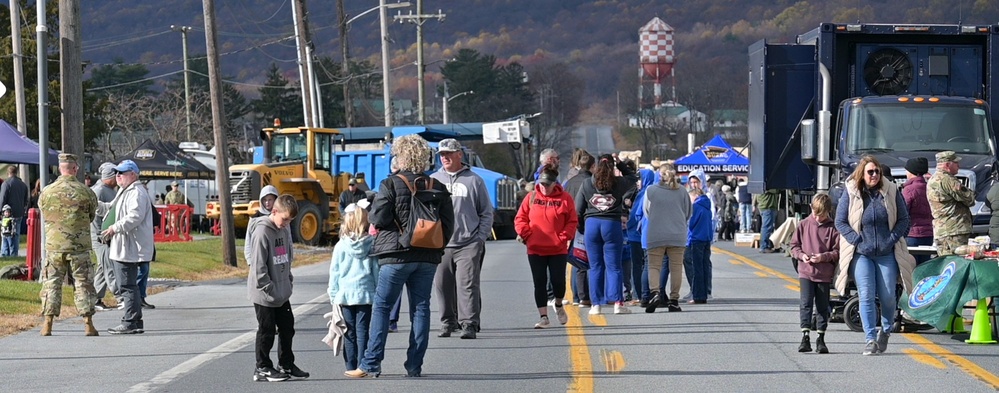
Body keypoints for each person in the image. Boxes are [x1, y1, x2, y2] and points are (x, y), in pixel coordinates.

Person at [347, 134, 454, 379]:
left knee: (382, 307)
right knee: (421, 309)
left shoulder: (391, 184)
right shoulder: (437, 186)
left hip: (396, 255)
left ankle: (371, 363)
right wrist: (435, 245)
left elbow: (378, 219)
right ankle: (414, 366)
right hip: (427, 256)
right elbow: (449, 224)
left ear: (401, 156)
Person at [834, 155, 915, 356]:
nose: (875, 175)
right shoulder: (851, 192)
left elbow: (904, 219)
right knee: (866, 295)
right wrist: (857, 239)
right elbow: (840, 221)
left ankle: (885, 331)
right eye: (870, 172)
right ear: (862, 173)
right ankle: (869, 338)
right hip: (862, 253)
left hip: (887, 252)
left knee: (888, 296)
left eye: (877, 171)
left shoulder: (891, 191)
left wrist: (891, 239)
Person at [431, 138, 493, 339]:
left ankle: (469, 324)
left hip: (468, 243)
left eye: (449, 153)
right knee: (442, 285)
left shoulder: (474, 180)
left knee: (467, 284)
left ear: (459, 154)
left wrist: (479, 239)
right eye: (442, 154)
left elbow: (486, 212)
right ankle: (448, 322)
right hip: (441, 244)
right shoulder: (433, 181)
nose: (445, 157)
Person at [247, 194, 309, 382]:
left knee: (287, 327)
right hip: (265, 293)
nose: (287, 223)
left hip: (281, 290)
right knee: (266, 330)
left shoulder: (283, 229)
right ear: (274, 211)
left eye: (290, 220)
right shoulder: (262, 232)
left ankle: (286, 364)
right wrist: (269, 288)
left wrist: (288, 280)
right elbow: (259, 267)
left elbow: (285, 257)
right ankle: (262, 367)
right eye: (285, 219)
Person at [37, 154, 100, 336]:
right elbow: (91, 216)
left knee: (51, 283)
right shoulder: (86, 191)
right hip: (79, 246)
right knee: (83, 283)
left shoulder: (47, 191)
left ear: (59, 169)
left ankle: (47, 323)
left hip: (55, 246)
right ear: (75, 169)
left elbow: (44, 212)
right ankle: (88, 323)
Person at [515, 165, 577, 329]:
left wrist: (563, 237)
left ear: (554, 183)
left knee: (558, 281)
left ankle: (558, 304)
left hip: (557, 248)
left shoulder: (565, 198)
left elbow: (572, 221)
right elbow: (520, 219)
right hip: (535, 248)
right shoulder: (531, 197)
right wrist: (527, 235)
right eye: (542, 184)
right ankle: (543, 317)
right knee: (539, 282)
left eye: (547, 184)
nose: (544, 187)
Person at [574, 154, 635, 315]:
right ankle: (617, 303)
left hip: (592, 225)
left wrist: (581, 228)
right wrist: (621, 164)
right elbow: (633, 177)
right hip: (611, 225)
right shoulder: (619, 183)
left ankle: (596, 305)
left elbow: (578, 210)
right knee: (614, 266)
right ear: (612, 167)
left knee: (595, 267)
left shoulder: (587, 183)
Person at [101, 160, 154, 335]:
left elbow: (134, 217)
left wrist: (115, 228)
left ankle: (130, 321)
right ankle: (136, 320)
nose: (118, 176)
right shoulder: (125, 191)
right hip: (124, 245)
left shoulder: (136, 192)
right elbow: (112, 208)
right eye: (116, 173)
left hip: (128, 246)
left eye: (122, 173)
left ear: (133, 174)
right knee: (129, 284)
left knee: (126, 285)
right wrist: (94, 205)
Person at [328, 202, 379, 372]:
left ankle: (350, 365)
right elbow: (376, 271)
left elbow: (334, 272)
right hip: (366, 293)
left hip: (345, 295)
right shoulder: (371, 244)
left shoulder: (341, 246)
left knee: (349, 332)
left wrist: (333, 294)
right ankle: (363, 365)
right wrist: (378, 290)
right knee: (363, 330)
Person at [789, 194, 839, 354]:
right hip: (806, 271)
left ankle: (821, 337)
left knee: (822, 306)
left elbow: (837, 251)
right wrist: (801, 255)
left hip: (823, 273)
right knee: (805, 303)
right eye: (816, 214)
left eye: (822, 215)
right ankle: (805, 336)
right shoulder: (803, 224)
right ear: (811, 209)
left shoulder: (833, 228)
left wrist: (823, 257)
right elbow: (794, 246)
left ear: (828, 212)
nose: (818, 218)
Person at [637, 163, 690, 312]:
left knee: (653, 265)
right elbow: (688, 212)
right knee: (676, 268)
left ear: (659, 175)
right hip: (677, 233)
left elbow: (646, 211)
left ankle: (655, 292)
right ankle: (674, 300)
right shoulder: (682, 191)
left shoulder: (651, 190)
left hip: (656, 232)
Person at [927, 151, 975, 256]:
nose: (959, 166)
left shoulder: (933, 179)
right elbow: (969, 198)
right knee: (957, 265)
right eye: (956, 163)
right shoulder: (948, 180)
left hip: (942, 231)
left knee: (947, 265)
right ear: (947, 164)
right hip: (954, 231)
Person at [563, 152, 594, 306]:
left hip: (575, 225)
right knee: (594, 261)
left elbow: (565, 203)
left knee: (577, 260)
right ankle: (593, 295)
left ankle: (579, 296)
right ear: (592, 166)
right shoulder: (592, 181)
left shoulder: (570, 182)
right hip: (591, 223)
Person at [91, 163, 119, 311]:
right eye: (115, 176)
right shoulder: (99, 191)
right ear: (108, 177)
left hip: (108, 235)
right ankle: (121, 297)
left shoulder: (110, 190)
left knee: (103, 266)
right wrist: (100, 234)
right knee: (108, 265)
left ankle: (95, 298)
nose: (117, 179)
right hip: (99, 236)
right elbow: (96, 214)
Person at [625, 168, 656, 306]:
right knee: (649, 265)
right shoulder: (654, 192)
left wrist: (627, 223)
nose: (638, 182)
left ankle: (638, 294)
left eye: (640, 179)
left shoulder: (644, 193)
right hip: (649, 234)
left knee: (638, 266)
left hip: (636, 234)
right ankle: (650, 292)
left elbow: (636, 215)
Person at [902, 157, 933, 265]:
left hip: (912, 234)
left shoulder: (909, 189)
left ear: (911, 171)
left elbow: (903, 211)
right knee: (924, 267)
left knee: (911, 267)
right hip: (929, 233)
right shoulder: (930, 187)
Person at [687, 187, 713, 304]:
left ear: (695, 196)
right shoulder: (707, 206)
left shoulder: (696, 207)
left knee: (696, 269)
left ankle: (697, 295)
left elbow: (691, 223)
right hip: (706, 238)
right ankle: (704, 295)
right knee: (704, 267)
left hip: (696, 239)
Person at [0, 165, 30, 257]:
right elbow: (26, 200)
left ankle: (5, 254)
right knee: (15, 234)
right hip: (19, 213)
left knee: (6, 234)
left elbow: (2, 198)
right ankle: (14, 253)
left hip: (7, 214)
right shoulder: (23, 185)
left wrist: (0, 211)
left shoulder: (6, 183)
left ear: (8, 173)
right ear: (16, 172)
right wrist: (23, 209)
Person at [244, 185, 280, 260]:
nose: (267, 202)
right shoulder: (254, 218)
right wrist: (250, 261)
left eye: (270, 200)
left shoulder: (281, 217)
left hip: (277, 258)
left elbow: (288, 239)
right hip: (260, 258)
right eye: (264, 200)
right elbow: (248, 240)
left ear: (275, 200)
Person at [756, 188, 780, 253]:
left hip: (765, 207)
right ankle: (764, 246)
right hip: (768, 207)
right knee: (766, 227)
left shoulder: (759, 186)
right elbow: (776, 190)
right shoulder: (766, 188)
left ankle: (766, 245)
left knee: (767, 227)